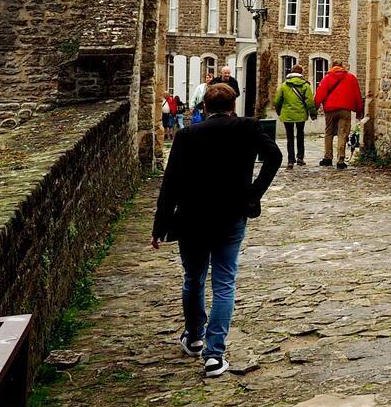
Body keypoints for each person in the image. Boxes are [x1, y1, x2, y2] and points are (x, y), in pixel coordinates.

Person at [152, 81, 281, 377]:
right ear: (233, 105)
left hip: (193, 218)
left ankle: (195, 337)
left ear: (205, 107)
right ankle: (214, 354)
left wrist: (160, 225)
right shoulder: (246, 128)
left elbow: (170, 182)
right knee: (224, 283)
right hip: (231, 215)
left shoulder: (186, 135)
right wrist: (254, 192)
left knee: (194, 279)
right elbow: (274, 156)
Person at [313, 62, 363, 169]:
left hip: (330, 110)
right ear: (342, 67)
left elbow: (319, 94)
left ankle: (328, 157)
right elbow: (357, 95)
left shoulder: (327, 78)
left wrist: (315, 108)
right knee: (342, 134)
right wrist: (359, 112)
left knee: (329, 132)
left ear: (332, 67)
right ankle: (340, 160)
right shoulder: (351, 78)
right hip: (345, 110)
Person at [272, 65, 316, 168]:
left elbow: (277, 101)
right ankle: (300, 158)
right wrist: (313, 113)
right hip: (301, 114)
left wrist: (279, 112)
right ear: (301, 73)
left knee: (290, 137)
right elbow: (309, 101)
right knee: (300, 135)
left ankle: (290, 160)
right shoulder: (305, 85)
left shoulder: (284, 85)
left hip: (287, 115)